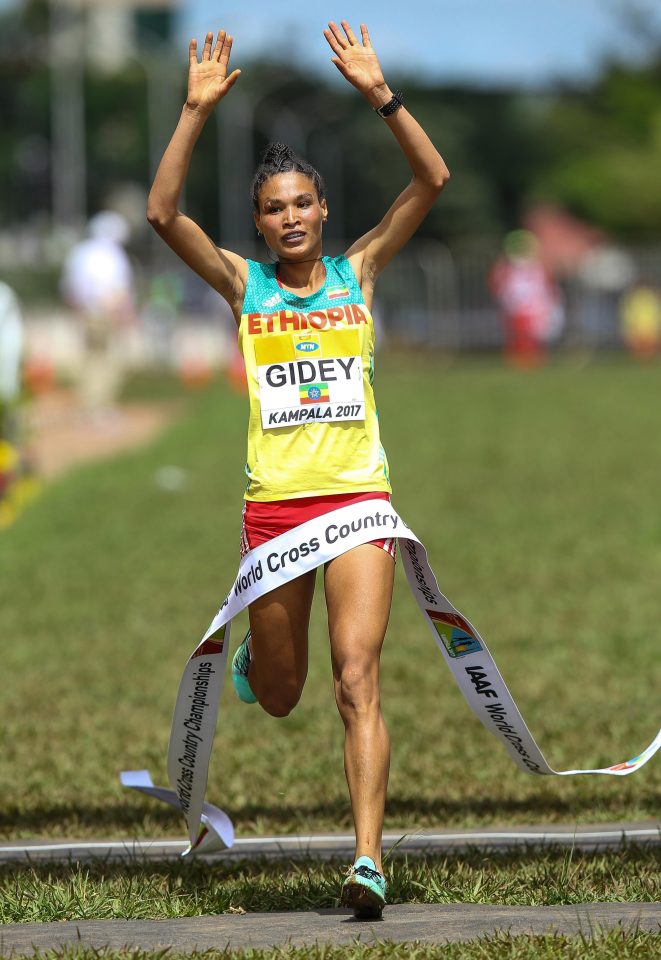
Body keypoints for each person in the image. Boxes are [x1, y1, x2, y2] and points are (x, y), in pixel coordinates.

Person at [147, 20, 449, 918]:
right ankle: (257, 664)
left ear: (322, 210)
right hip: (276, 511)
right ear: (259, 221)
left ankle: (365, 862)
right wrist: (194, 112)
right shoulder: (247, 287)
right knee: (281, 696)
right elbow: (162, 214)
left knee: (357, 678)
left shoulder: (358, 271)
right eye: (273, 208)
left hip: (359, 501)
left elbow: (431, 180)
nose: (289, 219)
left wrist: (379, 94)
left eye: (301, 205)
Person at [61, 211, 136, 420]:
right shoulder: (114, 255)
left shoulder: (80, 252)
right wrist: (125, 315)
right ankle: (100, 407)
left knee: (89, 359)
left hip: (86, 312)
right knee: (107, 360)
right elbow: (121, 289)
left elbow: (70, 286)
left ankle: (89, 404)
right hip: (107, 313)